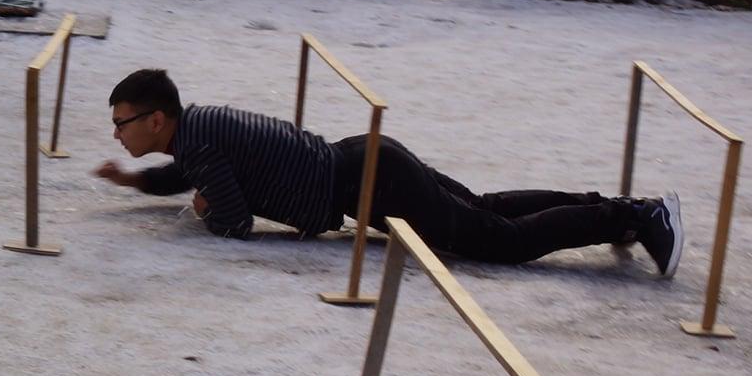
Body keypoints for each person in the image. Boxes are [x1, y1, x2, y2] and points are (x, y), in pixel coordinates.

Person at [91, 68, 685, 274]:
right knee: (486, 208)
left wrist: (207, 212)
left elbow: (236, 222)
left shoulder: (200, 142)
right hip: (367, 163)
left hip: (369, 181)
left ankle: (634, 216)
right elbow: (186, 175)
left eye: (124, 122)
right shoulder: (196, 132)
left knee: (497, 241)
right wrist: (135, 180)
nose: (118, 132)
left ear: (158, 119)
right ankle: (620, 212)